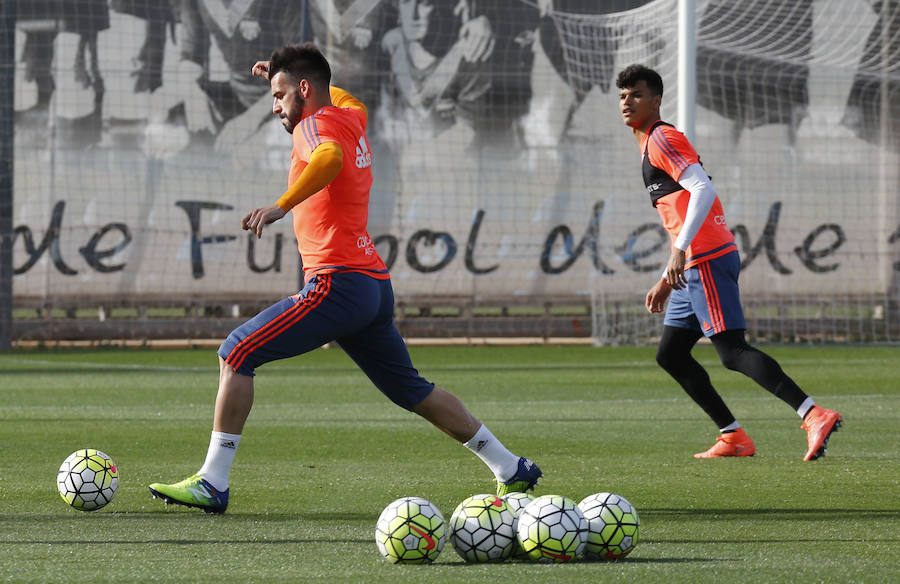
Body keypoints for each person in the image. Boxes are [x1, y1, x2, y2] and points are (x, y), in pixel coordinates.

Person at [148, 43, 542, 513]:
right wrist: (283, 77)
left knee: (236, 351)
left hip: (337, 283)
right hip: (373, 286)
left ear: (305, 90)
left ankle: (213, 481)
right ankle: (510, 468)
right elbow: (349, 101)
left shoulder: (314, 127)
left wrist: (281, 205)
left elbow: (329, 158)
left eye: (279, 95)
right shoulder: (348, 116)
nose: (276, 106)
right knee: (412, 389)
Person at [615, 64, 842, 461]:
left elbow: (703, 189)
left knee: (732, 351)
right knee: (670, 353)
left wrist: (680, 251)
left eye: (635, 94)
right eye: (622, 95)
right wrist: (669, 275)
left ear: (656, 100)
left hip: (705, 257)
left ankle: (813, 414)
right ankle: (733, 436)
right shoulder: (648, 144)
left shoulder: (662, 138)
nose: (626, 102)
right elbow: (681, 207)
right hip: (693, 262)